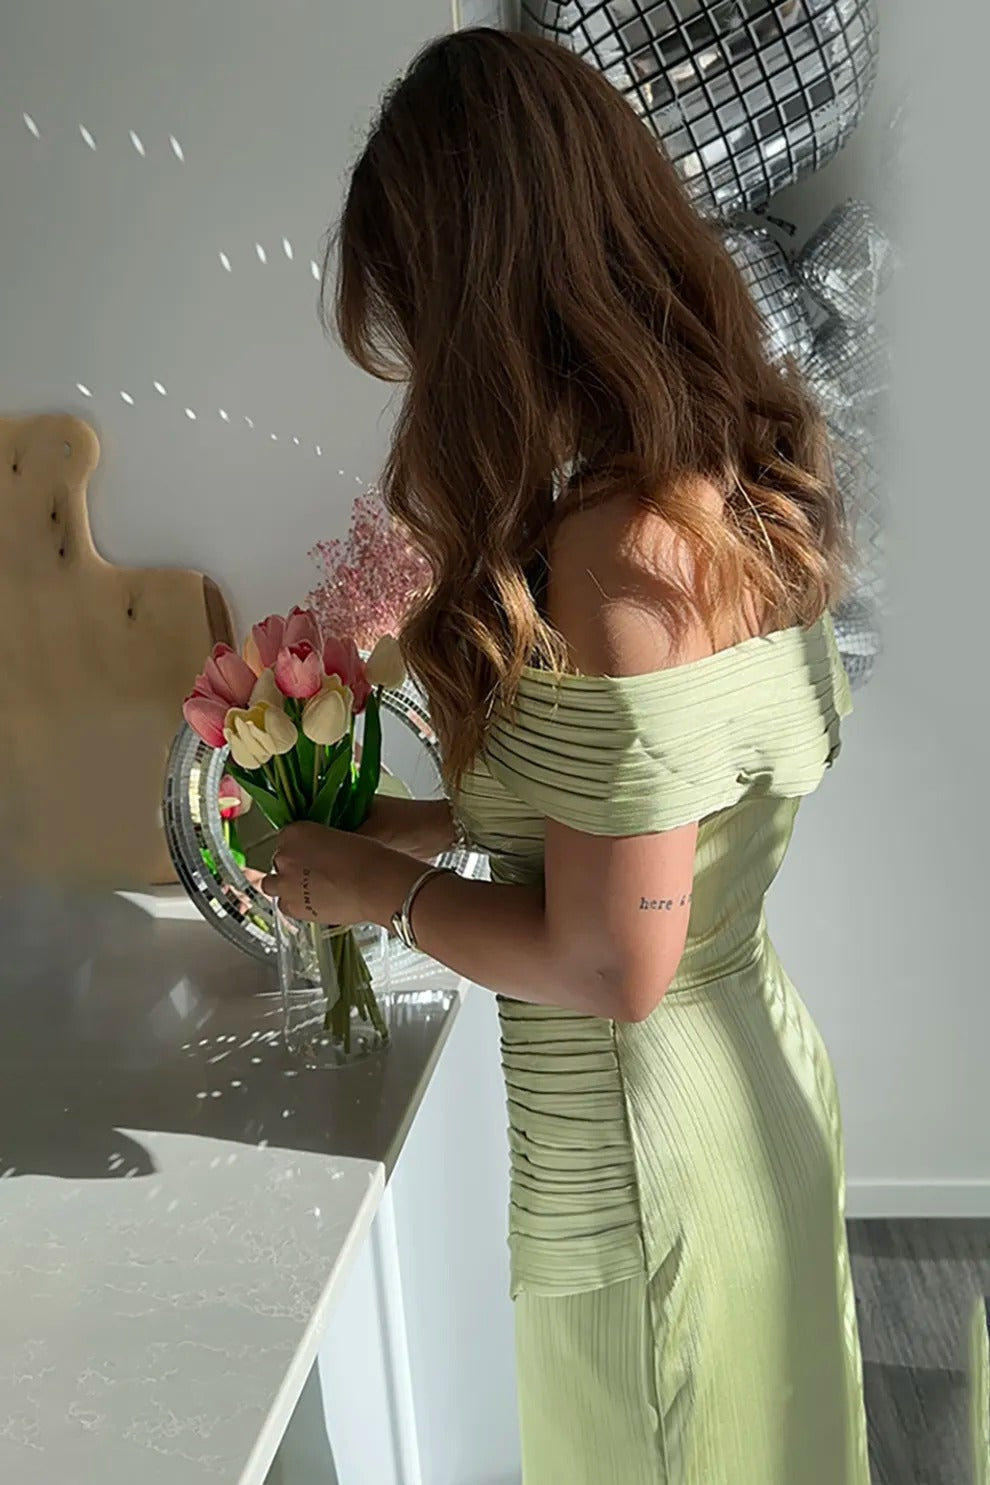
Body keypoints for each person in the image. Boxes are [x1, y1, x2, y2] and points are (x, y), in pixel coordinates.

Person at [264, 28, 870, 1485]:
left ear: (488, 299)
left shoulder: (619, 551)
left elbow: (613, 961)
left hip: (647, 1162)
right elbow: (664, 826)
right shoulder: (721, 470)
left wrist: (376, 891)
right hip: (738, 1109)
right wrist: (426, 826)